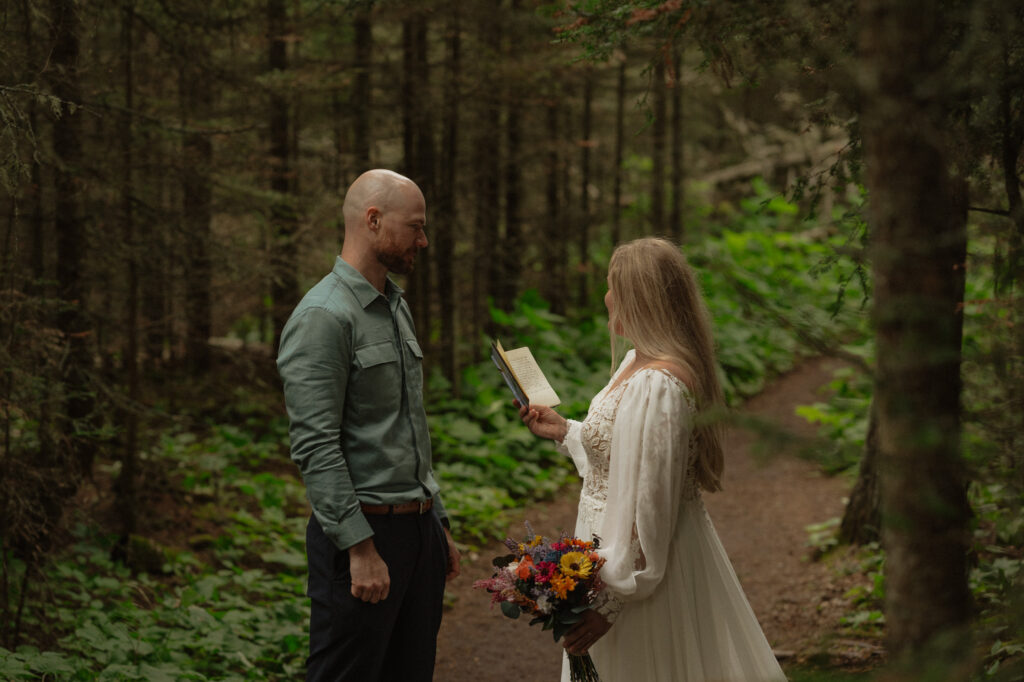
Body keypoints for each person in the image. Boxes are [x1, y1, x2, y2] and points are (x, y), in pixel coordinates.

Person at [517, 237, 786, 681]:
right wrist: (566, 431)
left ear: (638, 298)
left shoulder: (657, 383)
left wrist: (612, 602)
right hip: (610, 554)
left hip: (637, 571)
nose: (606, 297)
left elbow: (650, 501)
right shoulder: (636, 365)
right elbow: (626, 454)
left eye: (612, 286)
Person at [277, 169, 460, 682]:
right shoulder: (323, 317)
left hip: (416, 533)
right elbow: (316, 446)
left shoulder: (395, 307)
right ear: (373, 220)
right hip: (363, 536)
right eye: (415, 227)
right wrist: (359, 547)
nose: (423, 240)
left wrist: (435, 521)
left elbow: (407, 426)